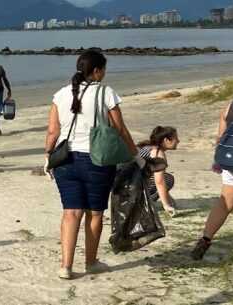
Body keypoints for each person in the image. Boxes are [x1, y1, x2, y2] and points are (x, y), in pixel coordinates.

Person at [43, 50, 137, 280]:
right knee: (94, 213)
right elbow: (120, 129)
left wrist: (48, 157)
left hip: (65, 160)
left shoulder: (61, 95)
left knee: (70, 213)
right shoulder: (106, 93)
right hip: (97, 160)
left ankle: (65, 266)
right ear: (96, 71)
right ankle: (91, 262)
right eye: (103, 69)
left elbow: (53, 131)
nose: (104, 73)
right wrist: (136, 155)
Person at [191, 67, 233, 262]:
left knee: (224, 204)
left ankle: (205, 240)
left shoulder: (231, 105)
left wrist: (218, 160)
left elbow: (221, 137)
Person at [137, 126, 179, 217]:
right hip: (131, 186)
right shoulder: (157, 153)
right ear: (166, 140)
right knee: (168, 179)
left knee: (165, 177)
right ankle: (143, 203)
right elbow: (159, 181)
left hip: (124, 182)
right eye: (176, 138)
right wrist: (166, 205)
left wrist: (169, 199)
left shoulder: (148, 147)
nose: (178, 141)